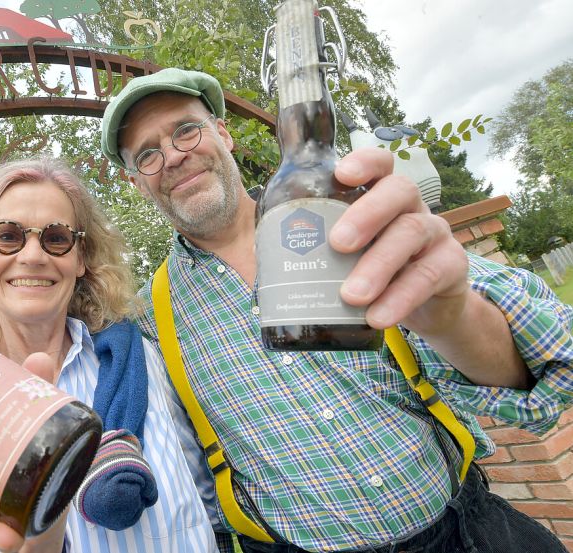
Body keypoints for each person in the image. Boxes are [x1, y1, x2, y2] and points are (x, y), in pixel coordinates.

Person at [97, 67, 572, 552]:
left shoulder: (346, 217)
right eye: (148, 155)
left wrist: (451, 317)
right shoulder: (152, 319)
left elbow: (546, 361)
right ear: (136, 182)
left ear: (223, 133)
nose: (173, 156)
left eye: (185, 130)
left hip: (467, 534)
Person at [0, 156, 220, 552]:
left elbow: (204, 494)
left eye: (56, 238)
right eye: (7, 235)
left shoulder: (142, 358)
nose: (33, 256)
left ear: (80, 257)